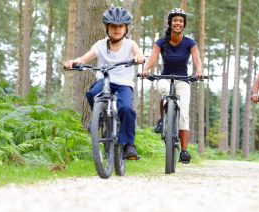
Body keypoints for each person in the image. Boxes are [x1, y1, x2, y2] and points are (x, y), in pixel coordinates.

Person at [64, 7, 146, 159]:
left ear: (126, 28)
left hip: (124, 84)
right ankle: (98, 117)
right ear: (106, 27)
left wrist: (139, 57)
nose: (116, 29)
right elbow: (84, 59)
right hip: (105, 79)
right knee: (93, 93)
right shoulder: (100, 45)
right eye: (113, 26)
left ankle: (129, 144)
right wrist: (74, 62)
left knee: (126, 108)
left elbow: (139, 53)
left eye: (120, 26)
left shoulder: (130, 44)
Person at [140, 8, 204, 164]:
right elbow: (152, 58)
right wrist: (146, 70)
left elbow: (197, 59)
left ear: (184, 24)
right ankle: (163, 120)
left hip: (183, 80)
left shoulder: (190, 43)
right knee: (165, 90)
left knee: (184, 114)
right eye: (175, 20)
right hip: (165, 78)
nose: (178, 23)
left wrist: (199, 71)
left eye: (181, 21)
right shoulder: (161, 41)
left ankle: (184, 151)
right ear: (170, 23)